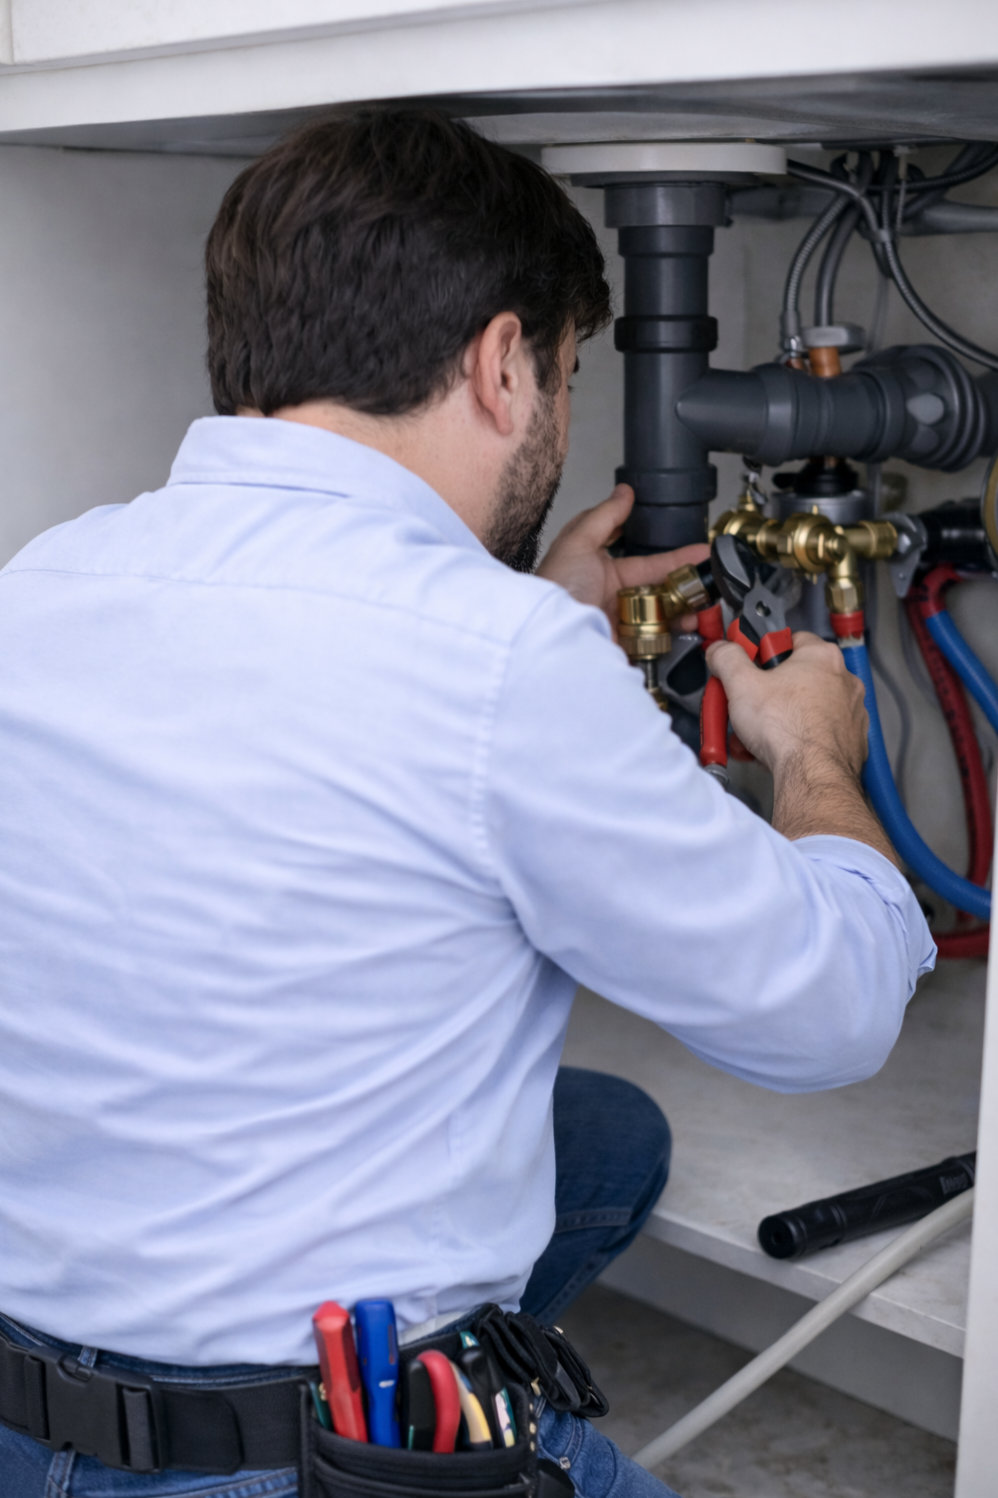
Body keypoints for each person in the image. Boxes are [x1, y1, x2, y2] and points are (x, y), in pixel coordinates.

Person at [0, 110, 933, 1498]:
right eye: (565, 374)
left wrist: (529, 624)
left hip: (24, 1403)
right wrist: (812, 754)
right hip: (280, 1461)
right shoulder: (495, 658)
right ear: (503, 363)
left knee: (605, 1135)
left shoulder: (45, 578)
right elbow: (834, 1016)